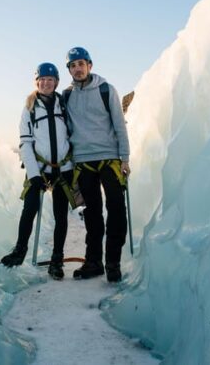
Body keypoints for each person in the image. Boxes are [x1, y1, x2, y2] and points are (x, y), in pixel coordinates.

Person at [0, 62, 75, 280]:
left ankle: (57, 259)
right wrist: (34, 175)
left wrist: (70, 167)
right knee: (30, 208)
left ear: (56, 82)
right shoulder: (29, 108)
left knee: (61, 215)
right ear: (37, 82)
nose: (46, 83)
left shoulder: (64, 104)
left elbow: (71, 135)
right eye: (42, 79)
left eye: (50, 79)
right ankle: (19, 250)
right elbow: (25, 143)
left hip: (62, 169)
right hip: (39, 168)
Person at [63, 46, 130, 283]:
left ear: (89, 65)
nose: (77, 68)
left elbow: (119, 124)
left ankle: (113, 263)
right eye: (73, 65)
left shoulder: (105, 90)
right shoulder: (67, 95)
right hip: (83, 161)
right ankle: (94, 263)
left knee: (116, 210)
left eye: (81, 64)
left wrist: (125, 158)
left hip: (110, 158)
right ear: (69, 69)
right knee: (92, 215)